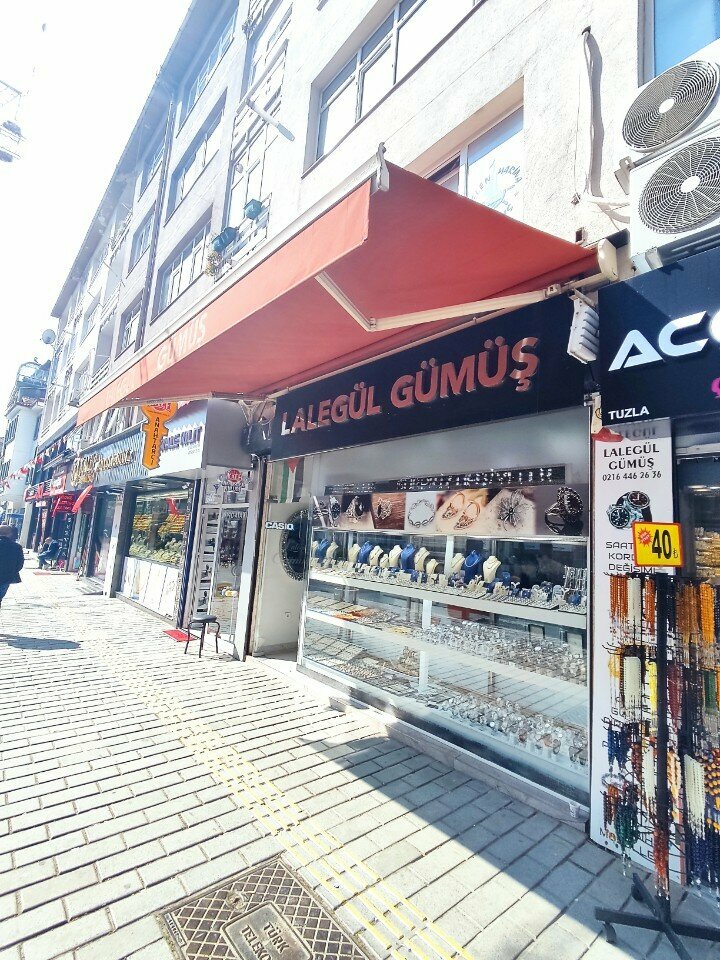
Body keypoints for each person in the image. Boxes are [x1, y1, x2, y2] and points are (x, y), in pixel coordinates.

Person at [0, 525, 24, 606]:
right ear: (10, 534)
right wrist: (12, 571)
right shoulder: (16, 547)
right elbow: (20, 564)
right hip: (6, 577)